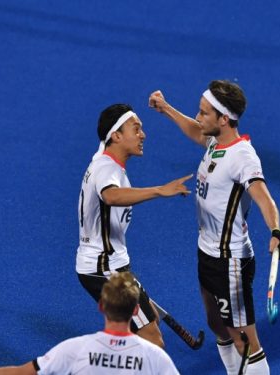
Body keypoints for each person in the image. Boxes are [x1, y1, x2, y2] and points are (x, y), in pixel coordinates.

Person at [148, 80, 280, 375]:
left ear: (224, 119)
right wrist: (166, 109)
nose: (198, 117)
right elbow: (193, 130)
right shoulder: (215, 141)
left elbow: (264, 198)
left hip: (230, 261)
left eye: (204, 113)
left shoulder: (243, 157)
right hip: (207, 252)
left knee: (245, 341)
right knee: (217, 324)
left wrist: (276, 231)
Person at [76, 104, 193, 349]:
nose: (143, 135)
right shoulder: (106, 168)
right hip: (105, 269)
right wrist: (160, 190)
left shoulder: (104, 159)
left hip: (109, 264)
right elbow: (111, 196)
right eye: (136, 128)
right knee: (152, 340)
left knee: (144, 326)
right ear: (116, 136)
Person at [0, 272, 181, 375]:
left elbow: (22, 373)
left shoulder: (75, 349)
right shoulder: (156, 357)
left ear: (101, 306)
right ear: (137, 309)